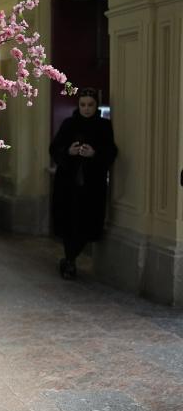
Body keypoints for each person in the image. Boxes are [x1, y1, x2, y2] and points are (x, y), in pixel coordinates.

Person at [49, 87, 117, 279]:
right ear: (78, 105)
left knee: (87, 224)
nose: (86, 109)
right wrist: (68, 152)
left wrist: (94, 154)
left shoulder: (104, 126)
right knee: (69, 223)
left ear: (96, 106)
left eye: (90, 105)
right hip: (68, 184)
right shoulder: (69, 124)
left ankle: (69, 260)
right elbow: (54, 148)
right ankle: (69, 261)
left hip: (92, 186)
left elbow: (111, 152)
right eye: (83, 105)